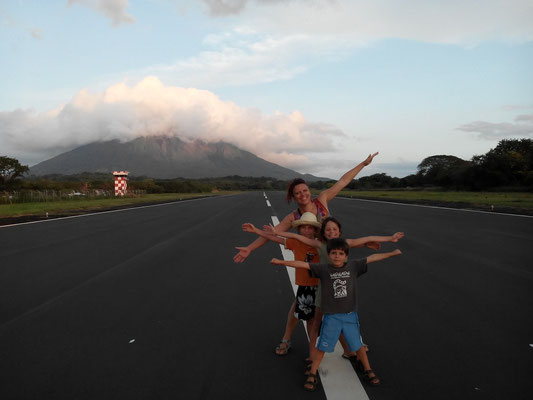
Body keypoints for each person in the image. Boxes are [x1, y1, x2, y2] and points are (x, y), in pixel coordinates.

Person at [271, 238, 402, 391]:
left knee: (358, 345)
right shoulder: (324, 269)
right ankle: (313, 372)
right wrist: (281, 262)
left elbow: (372, 258)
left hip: (349, 316)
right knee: (322, 346)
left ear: (346, 256)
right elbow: (303, 264)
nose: (337, 256)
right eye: (333, 253)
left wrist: (392, 253)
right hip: (331, 317)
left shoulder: (353, 266)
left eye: (341, 253)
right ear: (329, 254)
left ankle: (368, 369)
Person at [264, 216, 404, 360]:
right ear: (323, 232)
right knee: (316, 323)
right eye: (328, 229)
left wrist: (390, 238)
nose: (331, 232)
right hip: (323, 290)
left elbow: (368, 237)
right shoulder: (319, 245)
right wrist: (276, 232)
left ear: (339, 231)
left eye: (334, 229)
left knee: (342, 320)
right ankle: (313, 357)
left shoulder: (346, 243)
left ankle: (350, 349)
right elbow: (295, 236)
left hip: (341, 291)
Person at [233, 152, 379, 263]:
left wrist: (363, 164)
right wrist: (250, 248)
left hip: (333, 254)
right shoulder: (293, 217)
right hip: (311, 257)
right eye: (297, 193)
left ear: (309, 191)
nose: (303, 195)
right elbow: (272, 234)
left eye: (305, 190)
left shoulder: (322, 200)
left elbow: (343, 181)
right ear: (293, 197)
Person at [242, 212, 322, 361]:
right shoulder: (296, 243)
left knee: (328, 318)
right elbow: (276, 238)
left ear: (315, 230)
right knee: (310, 321)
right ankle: (313, 353)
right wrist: (257, 231)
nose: (306, 230)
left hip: (322, 286)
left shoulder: (320, 244)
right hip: (306, 287)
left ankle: (350, 347)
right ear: (299, 230)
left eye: (310, 228)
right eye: (303, 227)